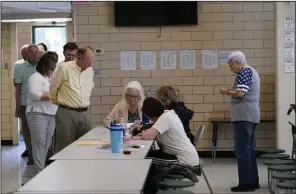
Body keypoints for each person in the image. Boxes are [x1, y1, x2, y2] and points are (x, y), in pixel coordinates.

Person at [137, 97, 200, 194]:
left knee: (147, 161)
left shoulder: (166, 118)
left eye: (148, 117)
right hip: (183, 155)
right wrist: (144, 128)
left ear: (151, 115)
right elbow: (154, 127)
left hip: (184, 159)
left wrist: (142, 132)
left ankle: (183, 169)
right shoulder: (168, 114)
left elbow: (148, 135)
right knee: (150, 160)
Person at [220, 51, 260, 192]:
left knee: (242, 150)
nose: (231, 69)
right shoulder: (251, 72)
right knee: (249, 150)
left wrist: (226, 91)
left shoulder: (245, 72)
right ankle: (253, 181)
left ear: (238, 63)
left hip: (244, 116)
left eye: (231, 65)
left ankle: (246, 183)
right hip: (250, 115)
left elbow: (240, 93)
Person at [49, 46, 95, 153]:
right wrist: (60, 103)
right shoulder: (64, 68)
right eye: (88, 61)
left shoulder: (90, 70)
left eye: (91, 61)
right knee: (65, 148)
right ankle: (64, 169)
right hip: (66, 112)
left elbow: (90, 87)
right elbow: (53, 88)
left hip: (85, 113)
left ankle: (82, 169)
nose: (90, 64)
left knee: (85, 147)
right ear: (79, 58)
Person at [26, 51, 58, 173]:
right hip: (37, 113)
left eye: (54, 66)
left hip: (51, 113)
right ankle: (39, 171)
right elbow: (35, 95)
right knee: (39, 143)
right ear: (45, 65)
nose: (53, 68)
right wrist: (54, 95)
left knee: (46, 143)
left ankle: (41, 169)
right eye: (51, 66)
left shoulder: (49, 78)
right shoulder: (35, 77)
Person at [15, 44, 39, 165]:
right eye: (32, 52)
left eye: (36, 52)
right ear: (27, 54)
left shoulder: (42, 67)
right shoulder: (20, 68)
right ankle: (31, 156)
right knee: (27, 131)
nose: (34, 54)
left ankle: (41, 155)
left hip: (40, 104)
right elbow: (17, 89)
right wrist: (17, 107)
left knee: (39, 131)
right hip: (25, 104)